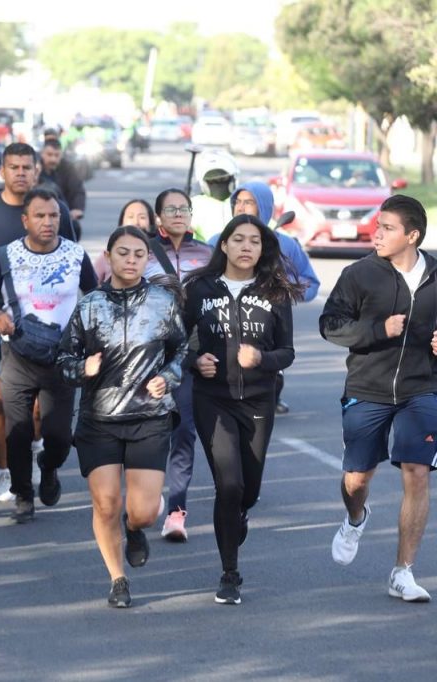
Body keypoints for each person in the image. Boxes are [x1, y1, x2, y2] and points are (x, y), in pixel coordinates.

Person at [57, 226, 186, 608]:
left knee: (143, 512)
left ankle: (135, 530)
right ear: (109, 256)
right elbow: (62, 361)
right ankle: (117, 579)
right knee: (106, 504)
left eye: (138, 255)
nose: (131, 261)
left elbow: (182, 351)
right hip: (99, 419)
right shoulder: (90, 306)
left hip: (149, 416)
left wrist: (168, 377)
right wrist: (84, 369)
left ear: (147, 260)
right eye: (123, 253)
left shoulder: (164, 302)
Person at [320, 195, 436, 603]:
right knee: (357, 479)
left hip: (422, 389)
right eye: (378, 225)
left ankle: (403, 572)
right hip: (367, 389)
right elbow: (330, 324)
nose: (377, 232)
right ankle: (355, 517)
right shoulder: (360, 275)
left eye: (387, 227)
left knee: (417, 472)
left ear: (412, 235)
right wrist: (377, 329)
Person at [184, 214, 299, 605]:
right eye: (239, 239)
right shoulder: (199, 289)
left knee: (247, 491)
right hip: (211, 399)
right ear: (224, 245)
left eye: (255, 241)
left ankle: (239, 514)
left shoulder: (275, 292)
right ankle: (230, 573)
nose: (247, 247)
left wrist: (262, 359)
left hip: (257, 399)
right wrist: (194, 361)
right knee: (228, 484)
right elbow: (176, 343)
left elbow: (288, 351)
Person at [0, 143, 77, 502]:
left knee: (39, 408)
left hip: (47, 325)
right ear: (3, 171)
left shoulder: (56, 211)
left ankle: (37, 452)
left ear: (37, 171)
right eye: (14, 167)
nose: (21, 172)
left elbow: (71, 265)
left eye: (28, 166)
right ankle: (8, 471)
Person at [0, 188, 97, 524]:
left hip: (61, 359)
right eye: (40, 215)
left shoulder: (76, 255)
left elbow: (94, 297)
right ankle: (23, 495)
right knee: (18, 432)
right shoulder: (4, 256)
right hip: (18, 355)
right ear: (25, 220)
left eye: (54, 216)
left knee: (59, 436)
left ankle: (49, 468)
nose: (48, 222)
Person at [141, 189, 213, 543]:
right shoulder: (144, 252)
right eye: (170, 209)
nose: (179, 214)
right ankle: (149, 494)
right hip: (146, 356)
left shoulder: (208, 254)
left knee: (184, 431)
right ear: (158, 218)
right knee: (149, 432)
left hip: (189, 356)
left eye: (184, 208)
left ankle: (176, 510)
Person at [219, 181, 320, 415]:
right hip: (224, 324)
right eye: (238, 202)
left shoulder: (285, 244)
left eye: (249, 202)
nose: (241, 208)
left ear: (263, 207)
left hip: (267, 328)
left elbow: (311, 285)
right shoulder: (218, 241)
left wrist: (280, 288)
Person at [38, 139, 85, 222]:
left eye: (57, 155)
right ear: (42, 154)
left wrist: (77, 208)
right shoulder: (35, 168)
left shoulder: (67, 167)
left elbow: (77, 189)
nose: (53, 159)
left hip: (63, 212)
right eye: (49, 155)